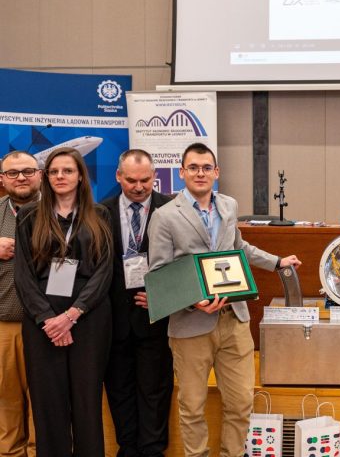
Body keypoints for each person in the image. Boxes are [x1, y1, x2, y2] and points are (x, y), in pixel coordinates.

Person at [147, 142, 302, 457]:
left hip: (234, 321)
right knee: (192, 406)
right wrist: (193, 301)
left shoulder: (229, 206)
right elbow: (159, 274)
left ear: (216, 172)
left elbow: (239, 248)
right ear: (182, 172)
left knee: (241, 403)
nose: (200, 173)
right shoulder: (164, 216)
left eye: (206, 167)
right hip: (191, 325)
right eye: (193, 167)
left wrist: (276, 262)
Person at [14, 147, 113, 457]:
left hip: (88, 318)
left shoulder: (100, 214)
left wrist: (72, 315)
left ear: (80, 175)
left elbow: (104, 272)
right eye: (54, 171)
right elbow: (23, 275)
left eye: (68, 170)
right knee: (48, 403)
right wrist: (48, 319)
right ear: (46, 177)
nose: (60, 176)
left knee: (87, 402)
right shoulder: (30, 215)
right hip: (42, 322)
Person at [102, 150, 174, 457]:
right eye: (131, 180)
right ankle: (127, 449)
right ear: (118, 176)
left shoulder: (171, 209)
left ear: (154, 176)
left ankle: (153, 450)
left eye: (145, 180)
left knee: (155, 391)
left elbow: (185, 261)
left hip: (156, 317)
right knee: (119, 391)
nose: (139, 187)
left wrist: (164, 294)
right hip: (113, 319)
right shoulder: (99, 212)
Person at [0, 151, 42, 457]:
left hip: (48, 326)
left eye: (28, 171)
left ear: (40, 174)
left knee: (47, 400)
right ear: (2, 179)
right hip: (5, 326)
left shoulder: (60, 210)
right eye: (13, 173)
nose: (21, 178)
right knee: (7, 401)